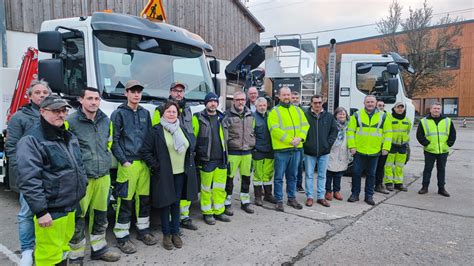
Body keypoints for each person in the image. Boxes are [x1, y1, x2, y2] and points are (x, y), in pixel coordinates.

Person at [16, 95, 87, 266]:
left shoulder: (68, 135)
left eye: (64, 110)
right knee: (48, 256)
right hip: (51, 211)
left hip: (69, 206)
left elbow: (78, 165)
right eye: (56, 110)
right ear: (42, 111)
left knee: (62, 250)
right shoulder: (32, 139)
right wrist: (40, 212)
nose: (61, 114)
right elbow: (29, 179)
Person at [66, 88, 120, 263]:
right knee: (78, 218)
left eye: (97, 98)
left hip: (103, 176)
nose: (94, 102)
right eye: (89, 98)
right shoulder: (71, 122)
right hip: (82, 179)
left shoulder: (106, 120)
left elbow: (108, 144)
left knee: (101, 215)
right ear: (81, 100)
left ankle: (99, 248)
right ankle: (76, 256)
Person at [141, 101, 198, 250]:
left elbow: (188, 147)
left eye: (174, 112)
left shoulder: (182, 129)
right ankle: (166, 235)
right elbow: (145, 151)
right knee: (166, 204)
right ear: (163, 114)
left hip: (181, 174)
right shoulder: (156, 130)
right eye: (168, 112)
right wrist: (157, 166)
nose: (171, 114)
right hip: (164, 174)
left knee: (176, 203)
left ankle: (175, 232)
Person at [5, 80, 51, 266]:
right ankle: (27, 250)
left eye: (45, 92)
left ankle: (42, 247)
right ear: (29, 96)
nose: (42, 95)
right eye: (38, 92)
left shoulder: (54, 114)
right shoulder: (19, 117)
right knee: (26, 213)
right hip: (31, 176)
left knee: (48, 214)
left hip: (51, 176)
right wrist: (23, 176)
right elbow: (12, 148)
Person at [111, 80, 157, 254]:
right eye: (133, 91)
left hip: (144, 163)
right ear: (126, 93)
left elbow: (150, 138)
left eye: (139, 91)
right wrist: (124, 161)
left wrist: (150, 160)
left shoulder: (145, 113)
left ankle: (143, 231)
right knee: (125, 201)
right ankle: (122, 237)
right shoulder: (119, 114)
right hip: (128, 164)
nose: (136, 94)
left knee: (144, 199)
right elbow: (113, 140)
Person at [152, 81, 198, 231]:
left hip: (184, 159)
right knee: (169, 198)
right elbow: (155, 135)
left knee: (180, 196)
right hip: (166, 164)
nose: (178, 93)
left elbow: (193, 131)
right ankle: (169, 225)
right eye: (175, 90)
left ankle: (182, 219)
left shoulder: (189, 110)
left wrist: (192, 147)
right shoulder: (160, 109)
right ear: (170, 91)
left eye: (181, 90)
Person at [267, 87, 309, 212]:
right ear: (279, 96)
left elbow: (305, 125)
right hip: (282, 150)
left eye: (288, 94)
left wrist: (300, 138)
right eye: (284, 95)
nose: (286, 97)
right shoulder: (275, 111)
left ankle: (291, 198)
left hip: (296, 149)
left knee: (293, 176)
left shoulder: (297, 110)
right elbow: (274, 130)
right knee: (279, 177)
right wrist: (290, 140)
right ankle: (279, 200)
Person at [193, 92, 231, 225]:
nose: (213, 103)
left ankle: (219, 211)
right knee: (206, 188)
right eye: (210, 101)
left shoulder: (223, 118)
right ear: (206, 103)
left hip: (221, 159)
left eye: (215, 101)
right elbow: (194, 139)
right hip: (206, 159)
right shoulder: (198, 117)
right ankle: (207, 213)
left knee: (220, 188)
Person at [347, 95, 392, 205]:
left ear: (376, 103)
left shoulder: (384, 116)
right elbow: (350, 132)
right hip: (359, 150)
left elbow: (388, 133)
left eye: (372, 102)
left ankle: (369, 196)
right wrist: (352, 146)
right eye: (368, 102)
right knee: (356, 173)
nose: (370, 104)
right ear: (364, 103)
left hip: (375, 150)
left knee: (371, 174)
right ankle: (355, 194)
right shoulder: (357, 115)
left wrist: (386, 147)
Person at [223, 91, 256, 215]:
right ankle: (226, 203)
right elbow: (224, 135)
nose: (240, 102)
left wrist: (253, 143)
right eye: (238, 100)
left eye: (242, 99)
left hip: (247, 152)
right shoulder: (227, 115)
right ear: (233, 101)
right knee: (229, 179)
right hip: (233, 152)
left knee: (246, 178)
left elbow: (254, 130)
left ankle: (245, 202)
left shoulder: (250, 115)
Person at [303, 95, 338, 207]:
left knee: (322, 175)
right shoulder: (305, 116)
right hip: (309, 151)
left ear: (322, 103)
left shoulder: (328, 116)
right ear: (311, 103)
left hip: (324, 151)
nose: (317, 105)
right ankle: (309, 197)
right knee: (309, 174)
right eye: (315, 103)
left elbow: (334, 131)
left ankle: (321, 197)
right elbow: (300, 131)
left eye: (319, 102)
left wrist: (328, 144)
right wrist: (306, 144)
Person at [417, 102, 456, 197]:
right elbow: (419, 135)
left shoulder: (448, 120)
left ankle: (441, 188)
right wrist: (427, 144)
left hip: (443, 150)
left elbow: (452, 134)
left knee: (441, 169)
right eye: (434, 108)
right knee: (427, 169)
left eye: (438, 108)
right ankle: (424, 187)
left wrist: (449, 144)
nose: (436, 110)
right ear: (430, 109)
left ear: (440, 110)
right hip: (429, 150)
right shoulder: (424, 121)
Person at [252, 97, 277, 206]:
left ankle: (268, 195)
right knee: (258, 175)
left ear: (267, 106)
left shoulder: (271, 116)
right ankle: (258, 197)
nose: (262, 107)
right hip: (258, 150)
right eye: (260, 105)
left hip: (270, 150)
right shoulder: (252, 117)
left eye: (264, 105)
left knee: (268, 174)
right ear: (256, 106)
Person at [384, 102, 412, 192]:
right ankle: (388, 183)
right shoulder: (389, 119)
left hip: (402, 146)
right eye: (398, 107)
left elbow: (408, 131)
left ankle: (398, 183)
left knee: (399, 166)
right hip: (391, 145)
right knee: (388, 165)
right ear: (394, 109)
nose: (400, 109)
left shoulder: (407, 120)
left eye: (402, 107)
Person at [326, 107, 350, 201]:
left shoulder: (349, 126)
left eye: (343, 114)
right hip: (332, 151)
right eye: (339, 114)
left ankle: (337, 191)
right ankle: (328, 191)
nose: (342, 116)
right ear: (336, 115)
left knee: (339, 173)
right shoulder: (331, 125)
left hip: (343, 151)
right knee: (329, 172)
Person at [374, 100, 390, 194]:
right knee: (371, 168)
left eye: (383, 105)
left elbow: (389, 131)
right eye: (379, 105)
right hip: (374, 145)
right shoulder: (374, 115)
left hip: (383, 146)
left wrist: (386, 146)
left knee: (381, 167)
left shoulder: (387, 116)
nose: (381, 107)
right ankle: (372, 185)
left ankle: (379, 185)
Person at [291, 91, 305, 193]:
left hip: (300, 144)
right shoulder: (287, 110)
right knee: (290, 166)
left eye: (297, 98)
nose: (295, 99)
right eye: (293, 98)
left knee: (300, 166)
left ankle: (299, 185)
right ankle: (291, 185)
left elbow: (306, 126)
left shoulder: (304, 110)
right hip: (288, 143)